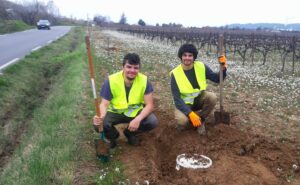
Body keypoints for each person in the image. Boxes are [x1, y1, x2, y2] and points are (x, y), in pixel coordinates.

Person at [93, 53, 158, 148]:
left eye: (135, 68)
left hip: (134, 112)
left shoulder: (144, 81)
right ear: (123, 67)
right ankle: (113, 136)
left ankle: (130, 133)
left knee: (152, 121)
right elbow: (104, 104)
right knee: (98, 125)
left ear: (139, 69)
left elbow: (149, 105)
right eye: (129, 67)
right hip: (115, 112)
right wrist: (101, 117)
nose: (132, 71)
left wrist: (138, 119)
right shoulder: (111, 80)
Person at [170, 43, 227, 135]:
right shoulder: (175, 74)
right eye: (185, 55)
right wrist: (190, 114)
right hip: (184, 103)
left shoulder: (201, 66)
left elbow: (217, 79)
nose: (187, 58)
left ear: (194, 57)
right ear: (181, 56)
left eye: (190, 55)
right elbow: (177, 99)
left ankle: (201, 120)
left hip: (199, 99)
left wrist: (223, 68)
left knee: (212, 97)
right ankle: (189, 120)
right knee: (182, 121)